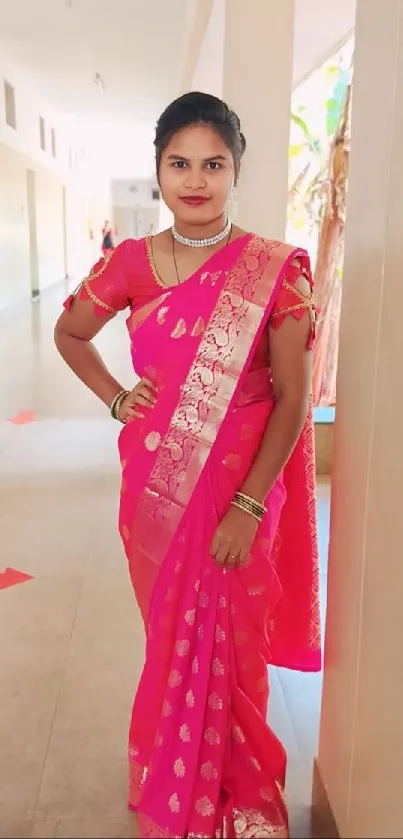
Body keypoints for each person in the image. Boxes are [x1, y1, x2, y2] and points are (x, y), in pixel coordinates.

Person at [54, 92, 321, 839]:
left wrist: (248, 505)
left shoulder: (275, 269)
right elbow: (70, 332)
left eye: (213, 164)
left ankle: (240, 791)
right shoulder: (130, 263)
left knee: (234, 637)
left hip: (240, 486)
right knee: (173, 637)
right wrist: (115, 397)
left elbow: (293, 399)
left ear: (237, 172)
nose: (195, 180)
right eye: (179, 163)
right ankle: (175, 769)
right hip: (156, 490)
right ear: (157, 170)